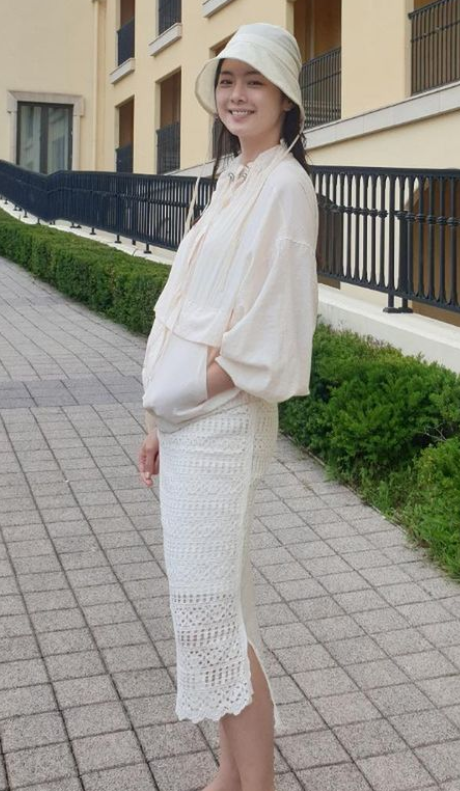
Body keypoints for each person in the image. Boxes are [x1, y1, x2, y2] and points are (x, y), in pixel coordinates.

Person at [138, 22, 319, 791]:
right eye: (227, 79)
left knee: (212, 613)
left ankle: (256, 783)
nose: (236, 94)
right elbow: (187, 303)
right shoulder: (234, 179)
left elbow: (276, 323)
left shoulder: (285, 186)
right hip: (186, 428)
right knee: (216, 609)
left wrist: (187, 391)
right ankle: (232, 771)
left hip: (221, 423)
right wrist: (157, 420)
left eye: (254, 80)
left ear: (285, 97)